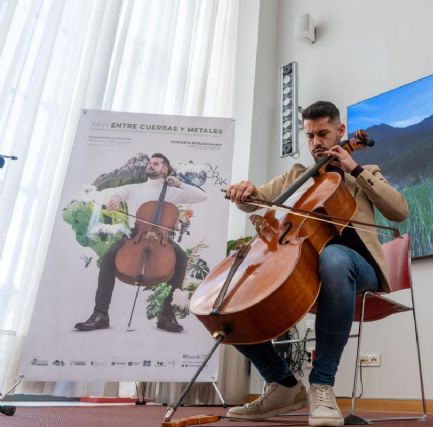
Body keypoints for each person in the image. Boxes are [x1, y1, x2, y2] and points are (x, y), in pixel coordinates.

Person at [224, 101, 408, 426]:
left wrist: (355, 169)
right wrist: (246, 192)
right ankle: (282, 385)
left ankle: (322, 385)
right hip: (305, 267)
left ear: (340, 131)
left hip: (357, 269)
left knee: (335, 258)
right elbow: (259, 199)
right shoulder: (298, 175)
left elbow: (399, 210)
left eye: (322, 133)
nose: (316, 143)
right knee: (230, 291)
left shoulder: (365, 174)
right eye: (309, 136)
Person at [75, 153, 207, 333]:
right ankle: (100, 314)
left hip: (162, 239)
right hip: (134, 236)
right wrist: (112, 198)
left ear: (165, 169)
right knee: (108, 259)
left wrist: (180, 183)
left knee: (181, 259)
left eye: (156, 163)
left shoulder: (174, 192)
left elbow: (201, 197)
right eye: (150, 163)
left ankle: (166, 315)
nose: (151, 165)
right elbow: (109, 192)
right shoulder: (134, 188)